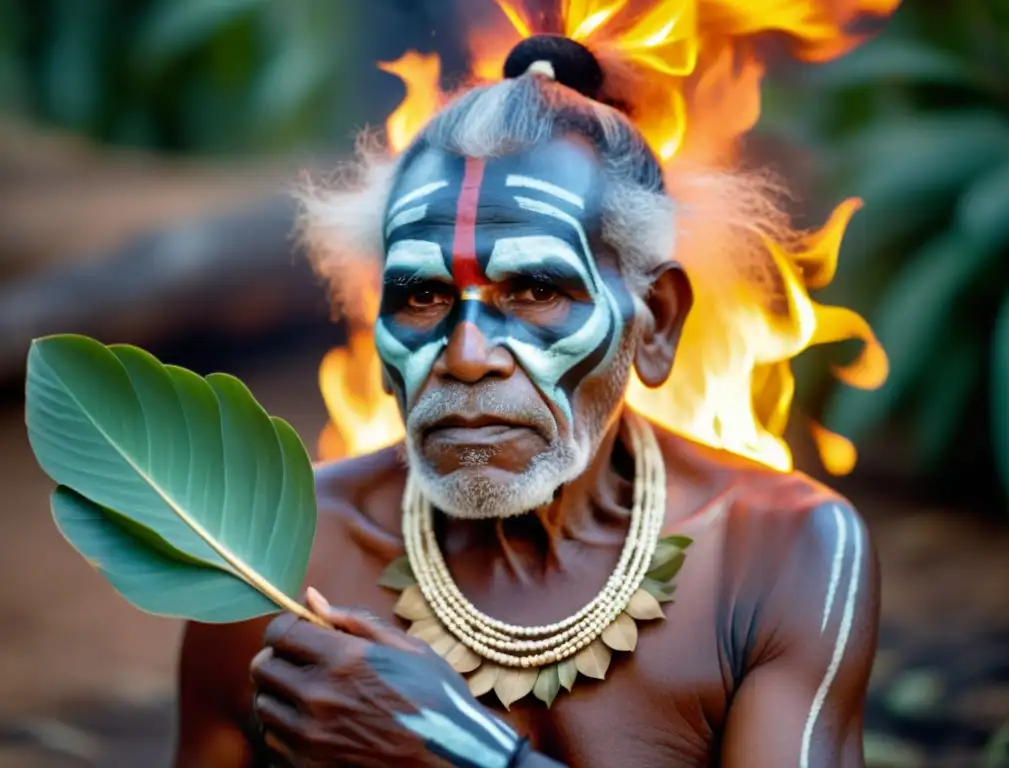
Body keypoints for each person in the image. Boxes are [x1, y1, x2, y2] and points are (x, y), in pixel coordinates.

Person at [173, 32, 879, 768]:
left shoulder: (780, 556)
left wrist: (458, 751)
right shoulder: (275, 554)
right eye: (421, 295)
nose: (467, 356)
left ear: (656, 322)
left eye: (537, 290)